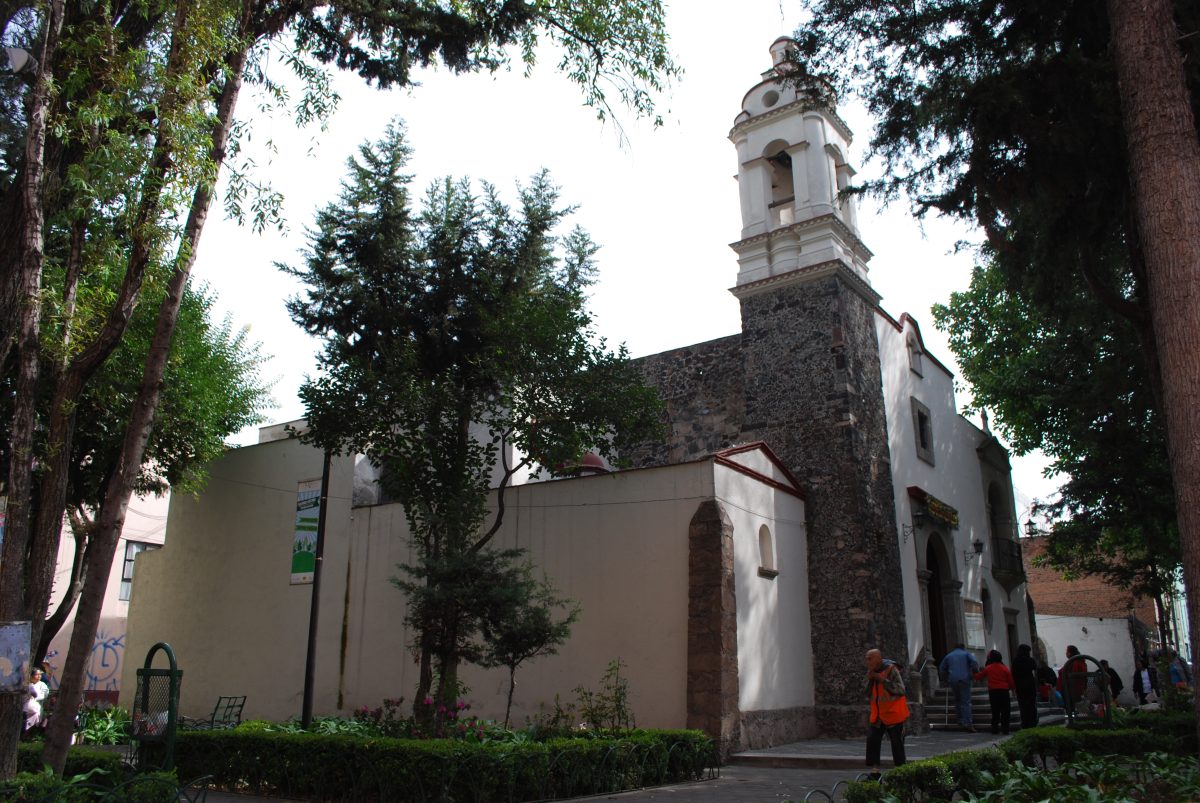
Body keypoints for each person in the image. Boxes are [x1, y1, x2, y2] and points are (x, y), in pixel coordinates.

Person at [864, 648, 909, 777]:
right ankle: (875, 772)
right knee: (872, 740)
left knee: (897, 743)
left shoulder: (891, 670)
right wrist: (870, 679)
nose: (867, 662)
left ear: (878, 659)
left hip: (893, 714)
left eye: (870, 659)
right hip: (878, 715)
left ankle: (901, 772)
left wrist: (882, 680)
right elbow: (867, 693)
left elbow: (901, 689)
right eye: (866, 659)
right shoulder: (871, 672)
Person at [939, 643, 980, 732]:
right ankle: (968, 723)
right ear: (963, 648)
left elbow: (942, 668)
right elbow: (974, 662)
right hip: (964, 679)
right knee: (966, 701)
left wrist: (945, 678)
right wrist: (974, 671)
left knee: (957, 700)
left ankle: (960, 720)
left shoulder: (949, 655)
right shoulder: (966, 654)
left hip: (953, 680)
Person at [973, 650, 1016, 734]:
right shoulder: (1004, 668)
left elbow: (979, 677)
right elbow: (1011, 681)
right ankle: (1005, 729)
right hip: (1004, 691)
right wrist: (1013, 690)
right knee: (1005, 711)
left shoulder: (988, 668)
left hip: (993, 691)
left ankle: (995, 729)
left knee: (995, 710)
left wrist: (973, 673)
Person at [1011, 643, 1039, 729]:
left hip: (1020, 686)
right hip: (1030, 685)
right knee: (1031, 705)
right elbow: (1035, 669)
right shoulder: (1030, 660)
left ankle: (1025, 723)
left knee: (1023, 706)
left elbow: (1013, 673)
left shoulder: (1015, 661)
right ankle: (1032, 722)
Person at [1057, 645, 1088, 709]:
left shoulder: (1074, 662)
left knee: (1071, 708)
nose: (1066, 653)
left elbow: (1073, 678)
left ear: (1070, 653)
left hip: (1071, 691)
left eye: (1067, 651)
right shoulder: (1079, 662)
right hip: (1076, 690)